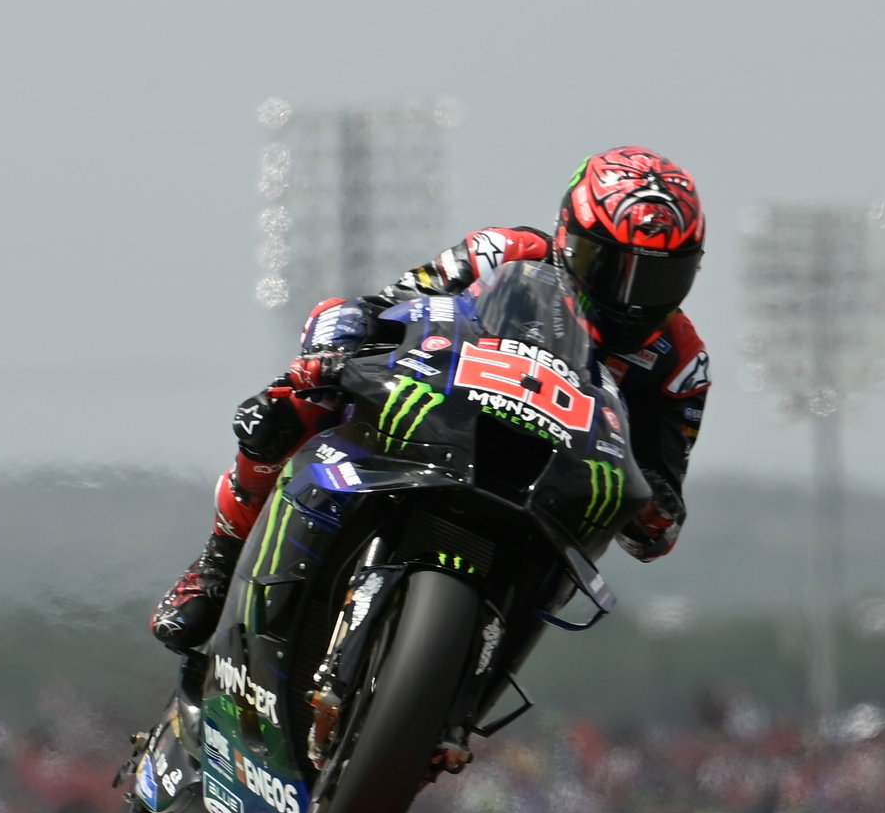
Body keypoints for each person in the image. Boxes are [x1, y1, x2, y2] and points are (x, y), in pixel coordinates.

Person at [150, 144, 710, 656]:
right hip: (435, 421)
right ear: (569, 236)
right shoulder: (502, 252)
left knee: (573, 573)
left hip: (545, 497)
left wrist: (647, 505)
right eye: (610, 264)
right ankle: (217, 565)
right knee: (286, 408)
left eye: (661, 278)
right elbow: (388, 309)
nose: (630, 297)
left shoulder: (681, 362)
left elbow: (662, 515)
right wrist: (332, 351)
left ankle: (458, 696)